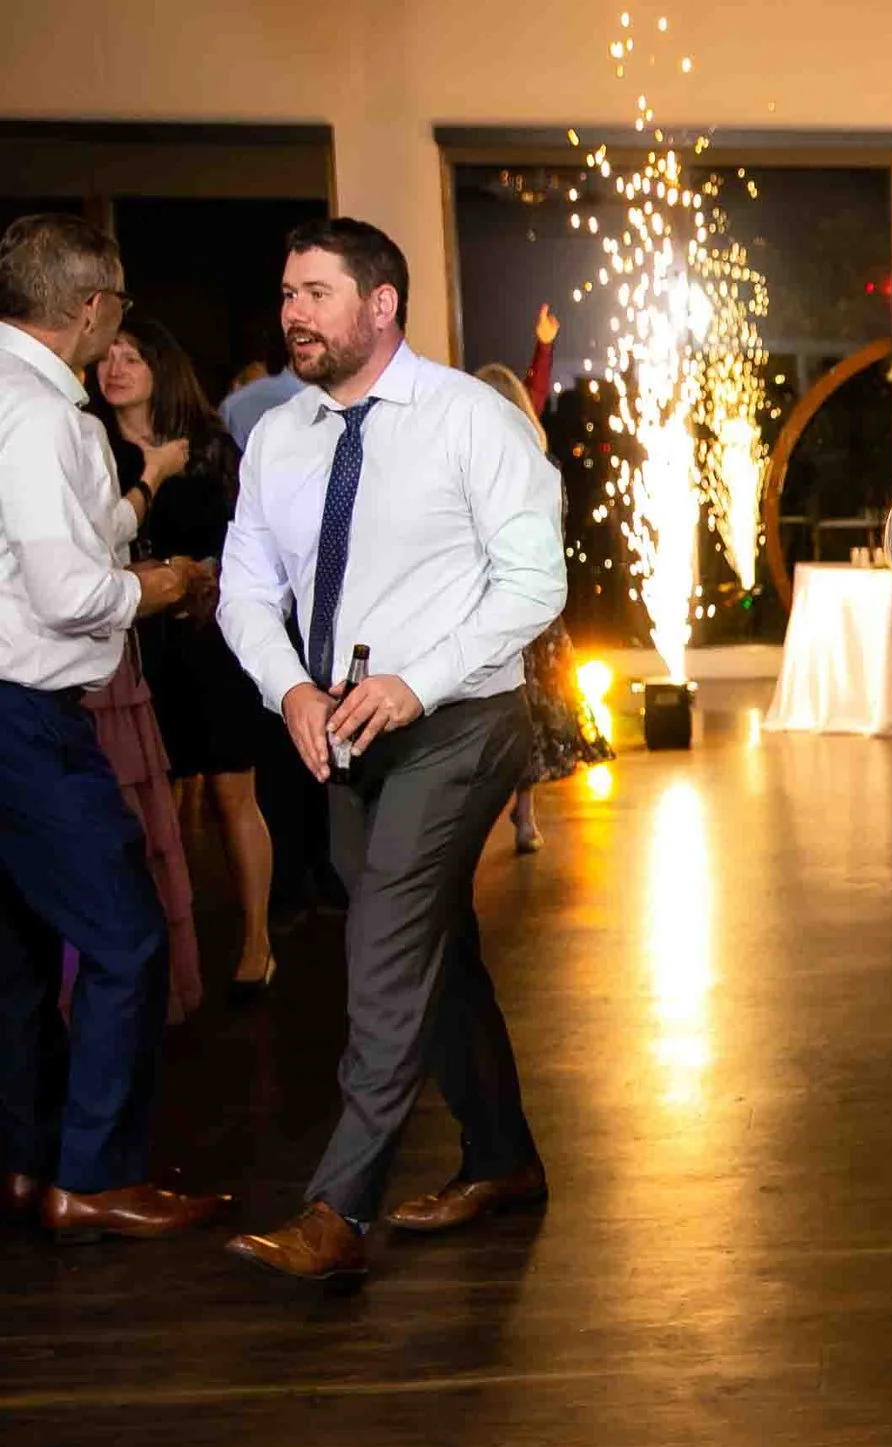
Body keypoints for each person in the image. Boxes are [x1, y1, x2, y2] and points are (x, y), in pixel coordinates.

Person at [218, 217, 566, 1283]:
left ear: (381, 305)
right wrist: (288, 689)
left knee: (380, 942)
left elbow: (533, 585)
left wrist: (417, 679)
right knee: (430, 944)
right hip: (340, 728)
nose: (292, 312)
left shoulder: (470, 421)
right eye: (287, 292)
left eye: (316, 292)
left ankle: (338, 1209)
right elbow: (243, 589)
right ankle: (503, 1157)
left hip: (460, 720)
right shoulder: (281, 436)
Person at [0, 212, 226, 1241]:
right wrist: (160, 585)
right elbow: (63, 589)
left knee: (16, 950)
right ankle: (94, 1174)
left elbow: (53, 539)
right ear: (90, 307)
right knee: (126, 938)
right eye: (119, 307)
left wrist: (132, 524)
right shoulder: (43, 416)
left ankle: (22, 1162)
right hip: (26, 718)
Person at [95, 316, 277, 1002]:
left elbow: (250, 535)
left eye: (130, 357)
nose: (115, 369)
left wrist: (203, 573)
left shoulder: (207, 444)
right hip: (136, 645)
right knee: (155, 805)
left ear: (159, 367)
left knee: (235, 791)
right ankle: (173, 953)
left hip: (212, 637)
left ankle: (257, 943)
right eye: (107, 356)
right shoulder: (96, 447)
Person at [474, 359, 612, 857]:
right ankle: (525, 815)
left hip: (496, 607)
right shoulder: (543, 468)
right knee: (527, 712)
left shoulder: (481, 471)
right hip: (534, 607)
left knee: (503, 711)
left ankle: (508, 813)